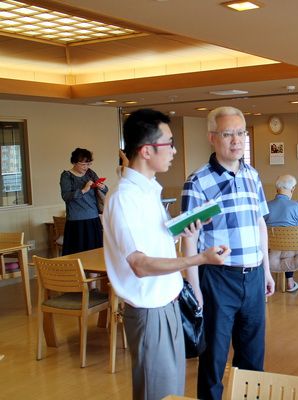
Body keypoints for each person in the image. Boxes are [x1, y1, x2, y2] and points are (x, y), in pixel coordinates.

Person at [103, 108, 230, 400]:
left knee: (172, 390)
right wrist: (200, 258)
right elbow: (140, 264)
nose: (174, 150)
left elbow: (153, 242)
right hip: (150, 311)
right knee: (157, 392)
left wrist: (183, 230)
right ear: (146, 150)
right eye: (169, 143)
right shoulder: (125, 198)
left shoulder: (148, 191)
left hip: (169, 303)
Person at [181, 106, 275, 400]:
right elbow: (189, 239)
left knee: (253, 356)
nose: (236, 140)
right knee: (213, 357)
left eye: (240, 133)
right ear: (212, 137)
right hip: (217, 278)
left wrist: (267, 270)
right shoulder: (197, 182)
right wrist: (195, 288)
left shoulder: (252, 175)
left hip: (253, 275)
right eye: (227, 134)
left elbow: (259, 223)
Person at [59, 148, 107, 255]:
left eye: (88, 164)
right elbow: (66, 196)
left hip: (93, 217)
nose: (86, 167)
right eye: (83, 164)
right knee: (77, 253)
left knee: (96, 253)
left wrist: (102, 187)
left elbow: (105, 190)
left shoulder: (90, 173)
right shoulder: (67, 176)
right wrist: (83, 190)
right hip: (76, 220)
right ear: (74, 162)